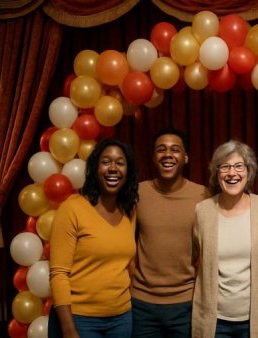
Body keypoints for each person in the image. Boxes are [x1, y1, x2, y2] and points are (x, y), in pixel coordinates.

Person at [49, 138, 139, 337]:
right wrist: (68, 329)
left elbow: (128, 265)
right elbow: (59, 273)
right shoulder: (72, 208)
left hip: (121, 318)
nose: (113, 168)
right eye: (106, 162)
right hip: (80, 319)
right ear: (95, 168)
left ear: (128, 171)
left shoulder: (129, 211)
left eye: (120, 163)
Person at [191, 140, 258, 338]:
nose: (232, 173)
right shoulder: (203, 211)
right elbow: (196, 255)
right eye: (225, 167)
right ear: (216, 172)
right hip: (215, 321)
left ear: (249, 172)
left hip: (254, 320)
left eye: (239, 166)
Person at [131, 128, 208, 337]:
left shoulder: (203, 195)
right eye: (161, 150)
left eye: (175, 150)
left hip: (186, 302)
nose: (167, 154)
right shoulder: (137, 193)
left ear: (185, 158)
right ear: (153, 157)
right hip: (142, 303)